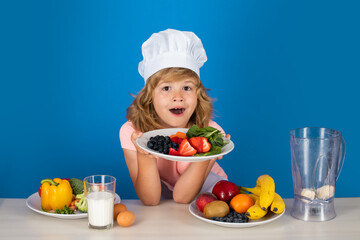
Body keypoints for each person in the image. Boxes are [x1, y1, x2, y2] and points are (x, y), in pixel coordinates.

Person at [119, 29, 230, 206]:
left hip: (210, 196)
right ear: (149, 96)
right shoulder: (132, 132)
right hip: (165, 203)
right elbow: (150, 199)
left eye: (186, 88)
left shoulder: (211, 133)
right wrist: (143, 153)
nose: (178, 96)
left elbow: (182, 197)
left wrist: (209, 151)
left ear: (198, 94)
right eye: (166, 88)